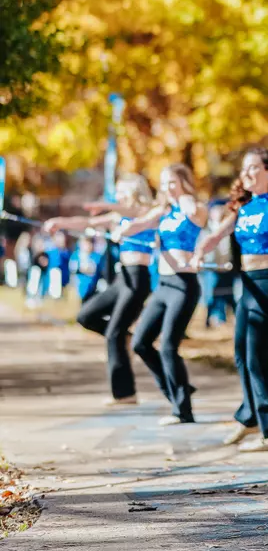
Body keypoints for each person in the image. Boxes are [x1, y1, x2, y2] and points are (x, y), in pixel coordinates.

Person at [192, 147, 268, 450]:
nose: (248, 173)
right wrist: (200, 252)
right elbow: (216, 235)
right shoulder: (243, 207)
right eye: (244, 169)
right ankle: (250, 418)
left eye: (254, 167)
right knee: (241, 354)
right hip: (248, 285)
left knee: (256, 358)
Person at [45, 174, 157, 406]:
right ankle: (125, 337)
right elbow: (87, 223)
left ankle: (125, 394)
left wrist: (106, 205)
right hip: (121, 278)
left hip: (137, 279)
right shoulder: (118, 216)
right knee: (86, 316)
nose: (117, 196)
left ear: (133, 192)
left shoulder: (146, 211)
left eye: (121, 192)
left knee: (113, 334)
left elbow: (132, 211)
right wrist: (60, 222)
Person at [121, 165, 207, 424]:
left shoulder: (193, 209)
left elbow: (192, 208)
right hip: (164, 286)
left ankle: (183, 411)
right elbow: (140, 223)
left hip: (184, 285)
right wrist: (124, 230)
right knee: (140, 343)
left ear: (183, 182)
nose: (167, 188)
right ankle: (177, 391)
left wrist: (184, 198)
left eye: (172, 182)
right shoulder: (163, 211)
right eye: (164, 183)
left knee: (169, 347)